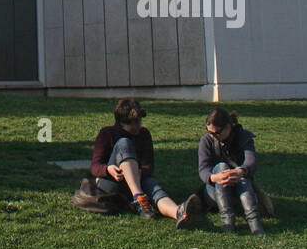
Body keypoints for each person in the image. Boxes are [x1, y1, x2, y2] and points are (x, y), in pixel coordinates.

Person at [91, 96, 201, 228]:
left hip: (138, 179)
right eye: (134, 123)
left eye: (139, 121)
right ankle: (139, 199)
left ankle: (178, 212)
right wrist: (108, 170)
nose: (139, 126)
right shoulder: (107, 133)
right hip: (113, 183)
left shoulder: (144, 134)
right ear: (121, 123)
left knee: (153, 185)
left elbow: (148, 165)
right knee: (124, 143)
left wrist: (139, 172)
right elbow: (95, 166)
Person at [198, 107, 265, 235]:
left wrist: (239, 172)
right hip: (214, 190)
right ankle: (228, 221)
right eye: (209, 132)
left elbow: (251, 162)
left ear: (228, 127)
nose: (213, 136)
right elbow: (203, 170)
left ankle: (254, 222)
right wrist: (215, 177)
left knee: (243, 178)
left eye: (217, 133)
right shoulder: (206, 141)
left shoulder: (243, 136)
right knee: (222, 167)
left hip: (240, 188)